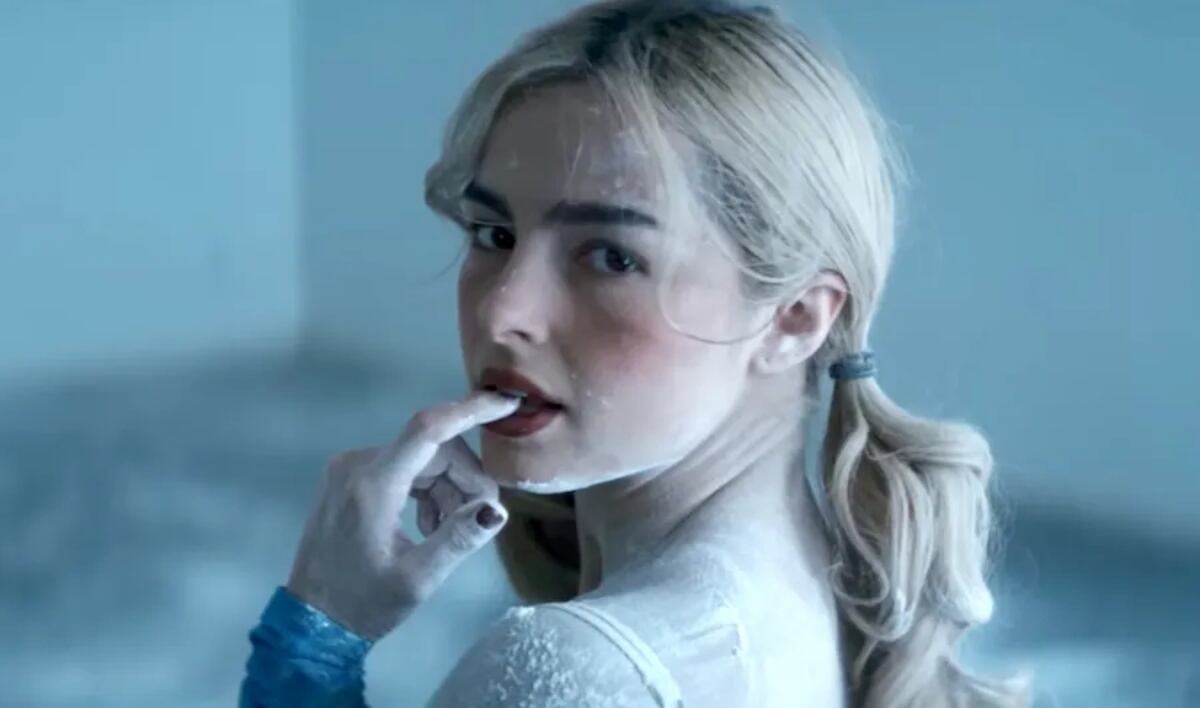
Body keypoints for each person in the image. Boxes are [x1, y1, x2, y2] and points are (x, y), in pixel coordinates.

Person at [239, 1, 1031, 706]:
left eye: (611, 257)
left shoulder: (577, 673)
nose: (502, 310)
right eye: (493, 233)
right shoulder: (833, 585)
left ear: (794, 319)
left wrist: (315, 639)